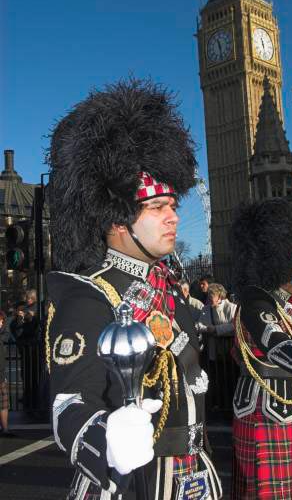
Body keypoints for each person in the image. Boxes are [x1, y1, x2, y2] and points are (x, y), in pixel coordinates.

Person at [46, 77, 222, 500]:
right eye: (158, 207)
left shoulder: (169, 291)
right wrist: (105, 438)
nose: (173, 217)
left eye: (173, 206)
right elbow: (68, 404)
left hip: (191, 470)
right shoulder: (89, 298)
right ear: (118, 218)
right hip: (132, 482)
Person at [230, 199, 292, 500]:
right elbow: (272, 339)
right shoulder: (255, 301)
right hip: (264, 410)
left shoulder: (285, 305)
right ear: (279, 267)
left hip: (290, 405)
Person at [0, 311, 13, 437]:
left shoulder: (3, 334)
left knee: (4, 403)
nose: (1, 323)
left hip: (1, 373)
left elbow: (6, 334)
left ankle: (5, 428)